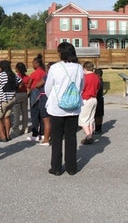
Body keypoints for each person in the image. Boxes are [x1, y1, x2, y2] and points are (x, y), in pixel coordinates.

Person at [45, 42, 84, 176]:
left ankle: (56, 167)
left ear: (61, 53)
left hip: (57, 107)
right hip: (73, 107)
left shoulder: (55, 68)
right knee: (71, 137)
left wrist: (55, 97)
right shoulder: (79, 68)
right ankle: (71, 167)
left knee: (56, 138)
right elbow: (81, 87)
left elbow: (48, 87)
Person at [0, 60, 22, 142]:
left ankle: (2, 136)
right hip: (11, 99)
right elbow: (20, 83)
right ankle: (8, 135)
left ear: (1, 67)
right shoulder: (13, 75)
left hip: (2, 100)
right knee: (7, 117)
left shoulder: (1, 75)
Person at [27, 54, 47, 141]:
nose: (32, 65)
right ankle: (42, 133)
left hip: (34, 95)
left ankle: (35, 134)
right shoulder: (44, 73)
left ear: (36, 63)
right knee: (43, 115)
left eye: (33, 63)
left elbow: (29, 84)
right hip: (43, 94)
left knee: (34, 115)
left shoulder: (34, 74)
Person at [79, 61, 100, 145]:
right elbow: (98, 88)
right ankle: (90, 134)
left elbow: (82, 89)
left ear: (84, 68)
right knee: (91, 118)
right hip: (94, 98)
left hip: (86, 98)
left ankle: (88, 136)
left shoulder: (85, 78)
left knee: (83, 119)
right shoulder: (96, 77)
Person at [12, 62, 30, 136]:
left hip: (17, 94)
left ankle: (16, 128)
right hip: (25, 94)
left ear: (17, 69)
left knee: (16, 113)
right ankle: (25, 127)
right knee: (24, 112)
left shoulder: (16, 77)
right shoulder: (27, 77)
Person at [94, 68, 104, 135]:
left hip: (98, 98)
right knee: (98, 115)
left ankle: (98, 128)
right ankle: (98, 128)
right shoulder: (100, 80)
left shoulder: (99, 81)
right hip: (100, 99)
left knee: (98, 115)